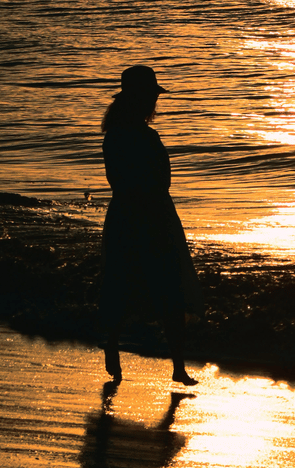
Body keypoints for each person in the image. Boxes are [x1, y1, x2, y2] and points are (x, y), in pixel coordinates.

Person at [98, 65, 201, 386]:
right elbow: (161, 179)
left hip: (130, 213)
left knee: (129, 285)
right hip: (149, 214)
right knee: (165, 285)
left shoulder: (116, 134)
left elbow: (119, 179)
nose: (154, 103)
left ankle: (126, 352)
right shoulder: (135, 135)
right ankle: (174, 365)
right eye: (151, 97)